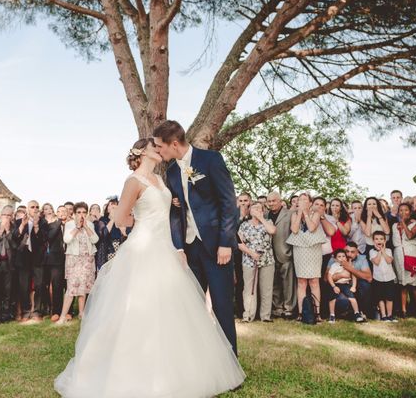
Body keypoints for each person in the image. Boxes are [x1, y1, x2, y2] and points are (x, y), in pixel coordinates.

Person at [54, 137, 244, 397]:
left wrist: (174, 208)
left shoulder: (161, 179)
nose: (159, 149)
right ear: (142, 152)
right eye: (154, 147)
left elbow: (170, 210)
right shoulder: (133, 181)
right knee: (136, 306)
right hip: (143, 246)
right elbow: (121, 216)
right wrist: (141, 220)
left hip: (165, 247)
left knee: (172, 307)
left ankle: (179, 368)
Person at [154, 120, 239, 355]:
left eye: (160, 147)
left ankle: (230, 361)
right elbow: (176, 212)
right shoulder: (171, 172)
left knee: (221, 306)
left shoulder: (211, 160)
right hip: (190, 249)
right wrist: (179, 247)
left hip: (216, 247)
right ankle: (196, 360)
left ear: (173, 144)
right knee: (190, 307)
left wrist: (225, 243)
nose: (159, 151)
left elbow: (228, 204)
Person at [287, 193, 327, 323]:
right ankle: (301, 312)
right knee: (301, 281)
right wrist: (299, 214)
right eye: (300, 200)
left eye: (305, 199)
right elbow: (294, 229)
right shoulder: (294, 214)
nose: (302, 201)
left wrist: (305, 213)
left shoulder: (315, 214)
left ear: (310, 203)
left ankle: (317, 313)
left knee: (314, 281)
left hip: (313, 249)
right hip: (300, 249)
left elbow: (311, 227)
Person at [57, 202, 99, 324]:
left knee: (84, 286)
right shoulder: (69, 224)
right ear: (74, 214)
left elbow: (95, 239)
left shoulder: (90, 224)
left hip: (87, 259)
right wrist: (78, 228)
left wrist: (85, 227)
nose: (81, 215)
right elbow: (67, 240)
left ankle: (82, 314)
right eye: (79, 212)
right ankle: (62, 317)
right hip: (74, 259)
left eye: (84, 212)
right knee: (71, 288)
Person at [237, 202, 276, 322]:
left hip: (267, 259)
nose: (257, 209)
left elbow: (273, 231)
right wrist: (251, 254)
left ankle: (265, 316)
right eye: (254, 208)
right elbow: (239, 243)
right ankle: (248, 315)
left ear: (263, 211)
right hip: (249, 259)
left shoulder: (268, 222)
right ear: (249, 211)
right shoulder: (244, 225)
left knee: (266, 288)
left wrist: (261, 218)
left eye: (260, 208)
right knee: (249, 288)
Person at [12, 200, 45, 321]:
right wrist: (22, 225)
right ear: (27, 209)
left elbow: (44, 239)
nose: (35, 209)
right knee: (24, 286)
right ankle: (26, 312)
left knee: (39, 285)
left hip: (38, 258)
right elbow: (14, 237)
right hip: (23, 258)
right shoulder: (18, 222)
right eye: (32, 207)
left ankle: (36, 311)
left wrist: (36, 226)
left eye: (37, 207)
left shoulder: (43, 222)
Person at [266, 191, 296, 319]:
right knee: (274, 283)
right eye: (269, 201)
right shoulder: (265, 215)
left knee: (288, 283)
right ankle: (277, 308)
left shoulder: (289, 214)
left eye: (274, 201)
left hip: (285, 252)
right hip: (269, 255)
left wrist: (290, 251)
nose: (271, 203)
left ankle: (289, 308)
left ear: (280, 201)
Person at [392, 203, 416, 318]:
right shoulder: (394, 225)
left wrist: (403, 223)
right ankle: (403, 310)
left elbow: (410, 236)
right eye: (401, 210)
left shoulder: (415, 224)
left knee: (415, 284)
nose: (403, 212)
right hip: (399, 255)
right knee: (402, 284)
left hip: (412, 254)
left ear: (410, 212)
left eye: (406, 210)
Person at [41, 203, 65, 321]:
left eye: (50, 208)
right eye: (46, 209)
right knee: (44, 285)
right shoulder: (43, 223)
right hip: (45, 259)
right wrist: (58, 222)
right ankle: (47, 308)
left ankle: (57, 311)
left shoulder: (60, 222)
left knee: (57, 285)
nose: (48, 210)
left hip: (58, 258)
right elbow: (49, 237)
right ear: (43, 211)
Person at [326, 249, 365, 323]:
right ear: (335, 259)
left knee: (352, 298)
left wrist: (353, 286)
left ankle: (357, 313)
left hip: (345, 284)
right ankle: (332, 315)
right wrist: (334, 286)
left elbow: (354, 276)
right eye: (339, 257)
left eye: (343, 256)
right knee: (332, 298)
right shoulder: (334, 266)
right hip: (336, 284)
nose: (342, 258)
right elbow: (329, 276)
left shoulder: (349, 265)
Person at [370, 230, 397, 322]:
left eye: (381, 239)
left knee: (389, 297)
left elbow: (389, 261)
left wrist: (383, 251)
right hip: (378, 278)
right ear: (373, 241)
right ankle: (384, 315)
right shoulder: (372, 252)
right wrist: (379, 252)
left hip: (389, 278)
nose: (379, 241)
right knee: (380, 297)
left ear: (385, 241)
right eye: (376, 239)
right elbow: (376, 262)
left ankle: (390, 315)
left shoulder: (388, 250)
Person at [94, 199, 129, 271]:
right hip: (107, 251)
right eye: (112, 207)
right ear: (107, 209)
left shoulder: (122, 220)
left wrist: (118, 219)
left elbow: (125, 234)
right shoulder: (102, 220)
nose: (114, 209)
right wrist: (113, 219)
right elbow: (104, 234)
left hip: (119, 249)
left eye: (116, 207)